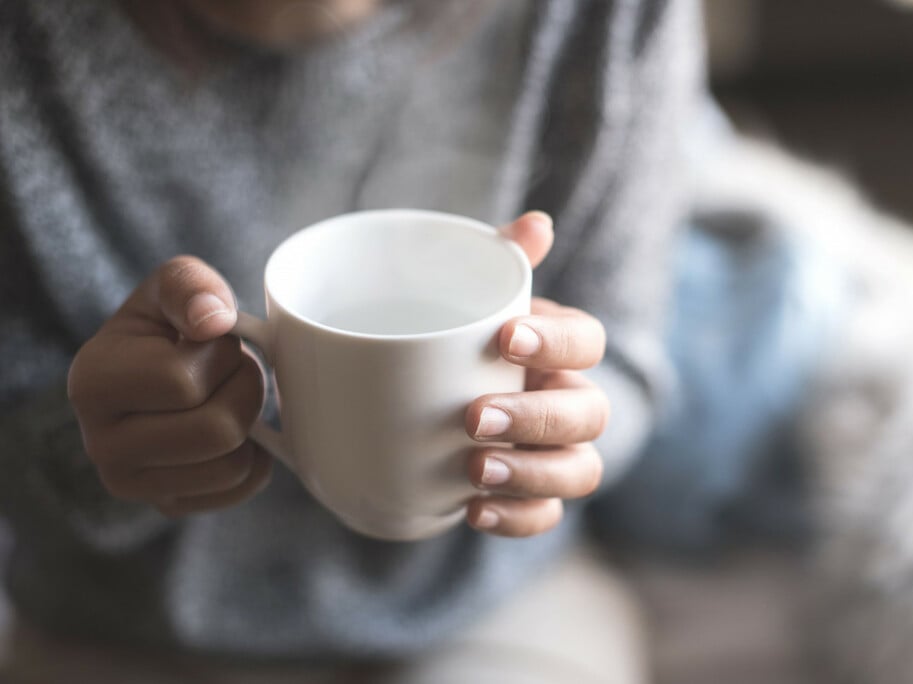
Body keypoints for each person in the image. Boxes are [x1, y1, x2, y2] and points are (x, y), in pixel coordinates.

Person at [0, 0, 697, 681]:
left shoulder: (605, 15)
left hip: (487, 599)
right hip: (125, 622)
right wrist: (89, 450)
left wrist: (565, 423)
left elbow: (629, 356)